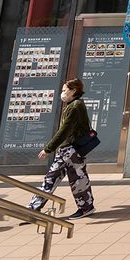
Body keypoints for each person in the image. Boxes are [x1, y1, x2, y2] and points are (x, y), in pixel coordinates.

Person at [28, 78, 95, 220]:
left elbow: (65, 130)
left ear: (73, 91)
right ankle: (86, 207)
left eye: (65, 90)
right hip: (73, 149)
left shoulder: (75, 106)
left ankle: (33, 208)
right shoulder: (75, 104)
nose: (62, 93)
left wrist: (48, 149)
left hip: (69, 149)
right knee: (78, 178)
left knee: (52, 178)